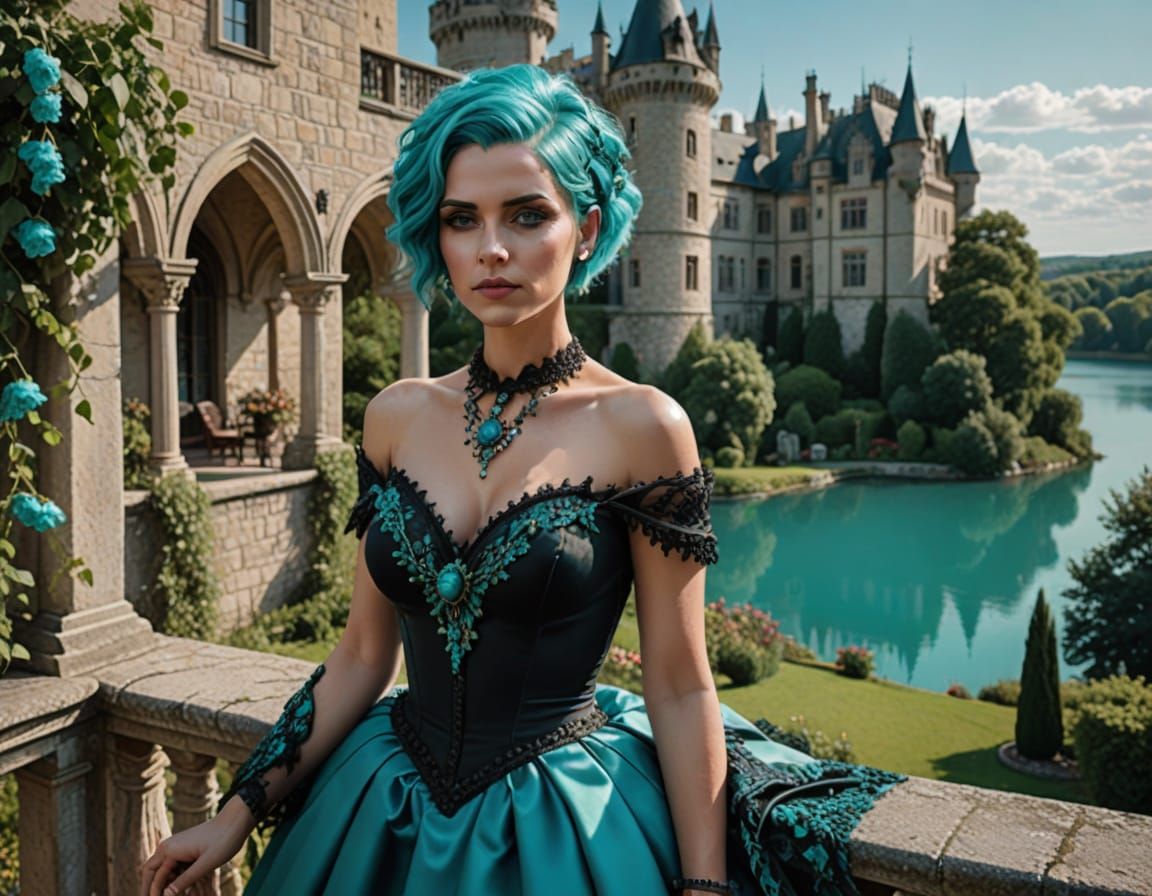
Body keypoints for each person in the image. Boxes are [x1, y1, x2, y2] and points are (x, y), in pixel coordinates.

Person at [141, 65, 899, 896]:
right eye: (462, 220)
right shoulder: (395, 415)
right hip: (378, 816)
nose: (491, 249)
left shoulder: (645, 426)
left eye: (528, 214)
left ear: (587, 228)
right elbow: (361, 655)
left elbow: (679, 683)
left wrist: (706, 887)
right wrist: (237, 810)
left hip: (559, 836)